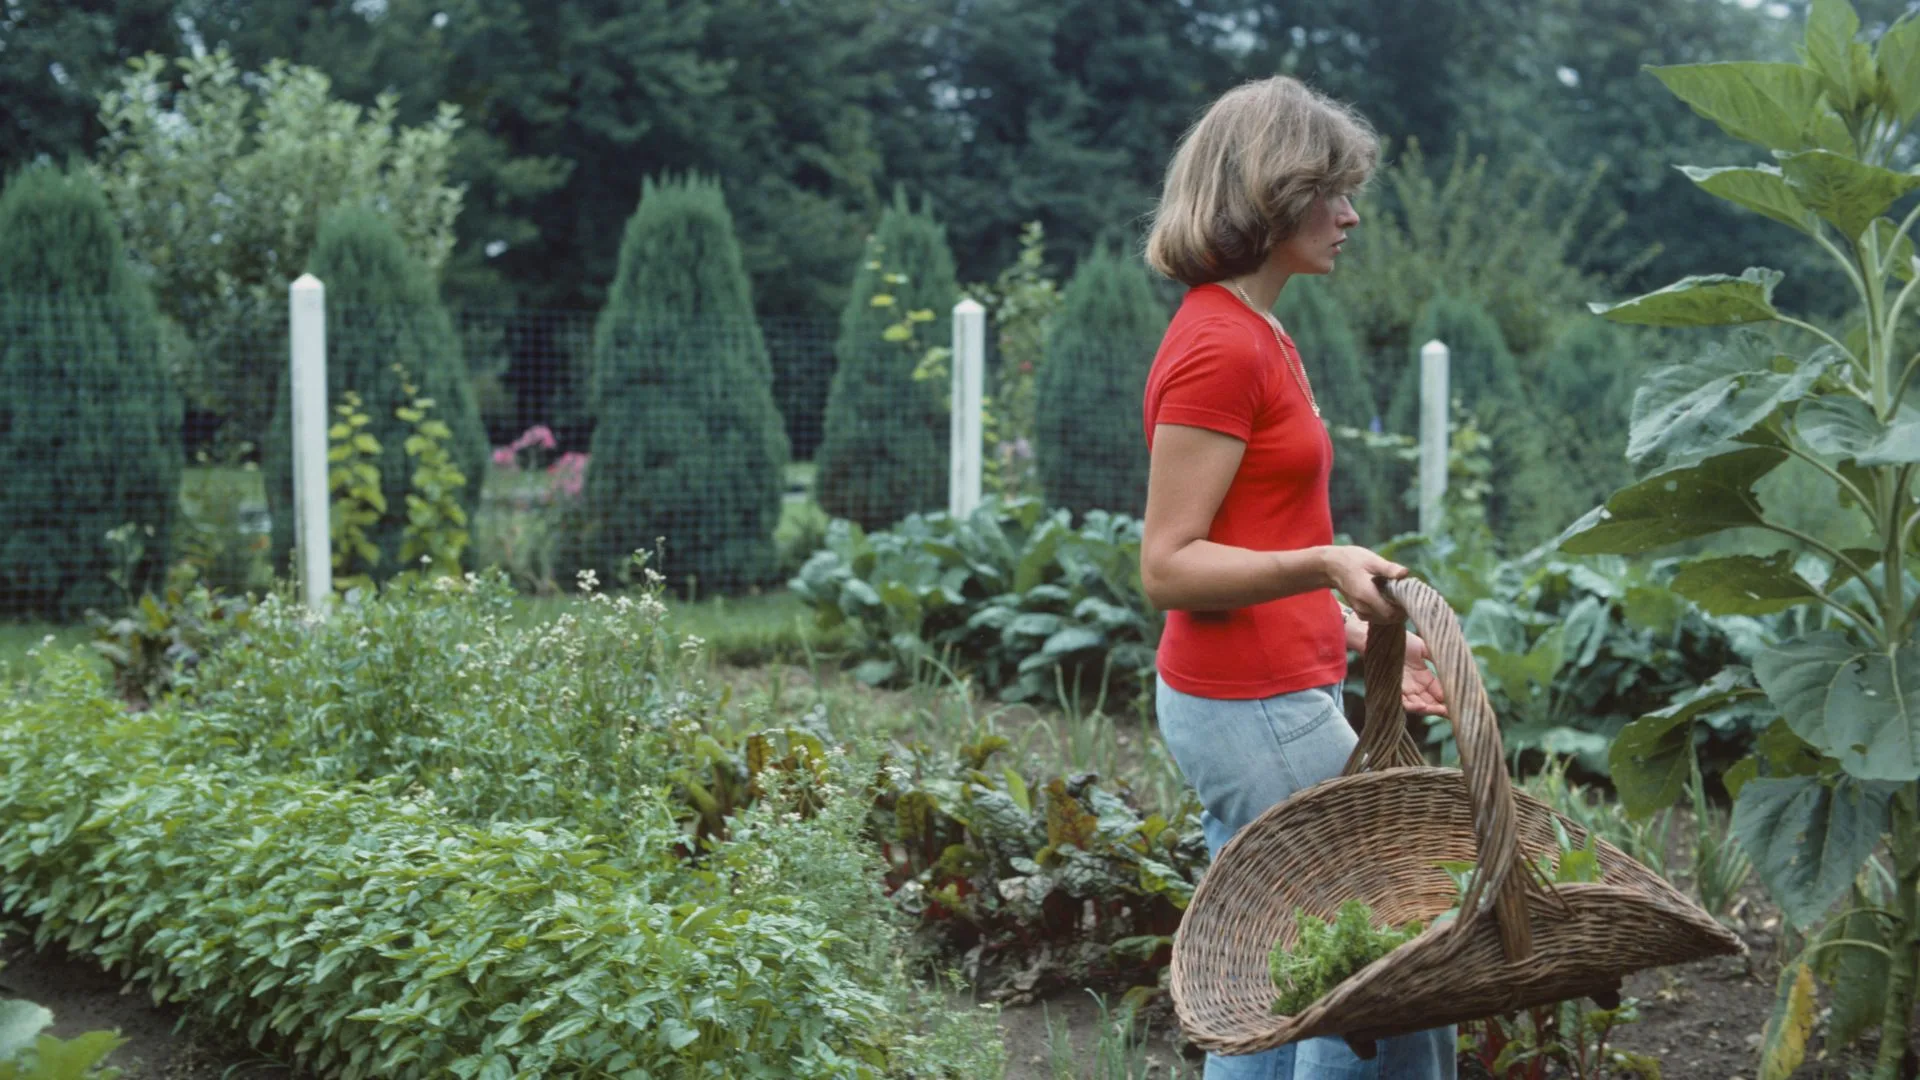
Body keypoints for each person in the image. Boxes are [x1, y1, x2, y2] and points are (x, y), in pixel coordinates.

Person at [1138, 75, 1453, 1080]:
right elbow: (1169, 564)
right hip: (1250, 710)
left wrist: (1345, 629)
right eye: (1330, 192)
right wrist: (1325, 563)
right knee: (1378, 977)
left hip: (1278, 688)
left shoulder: (1260, 331)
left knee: (1290, 981)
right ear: (1268, 197)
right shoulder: (1220, 346)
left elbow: (1247, 531)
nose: (1350, 213)